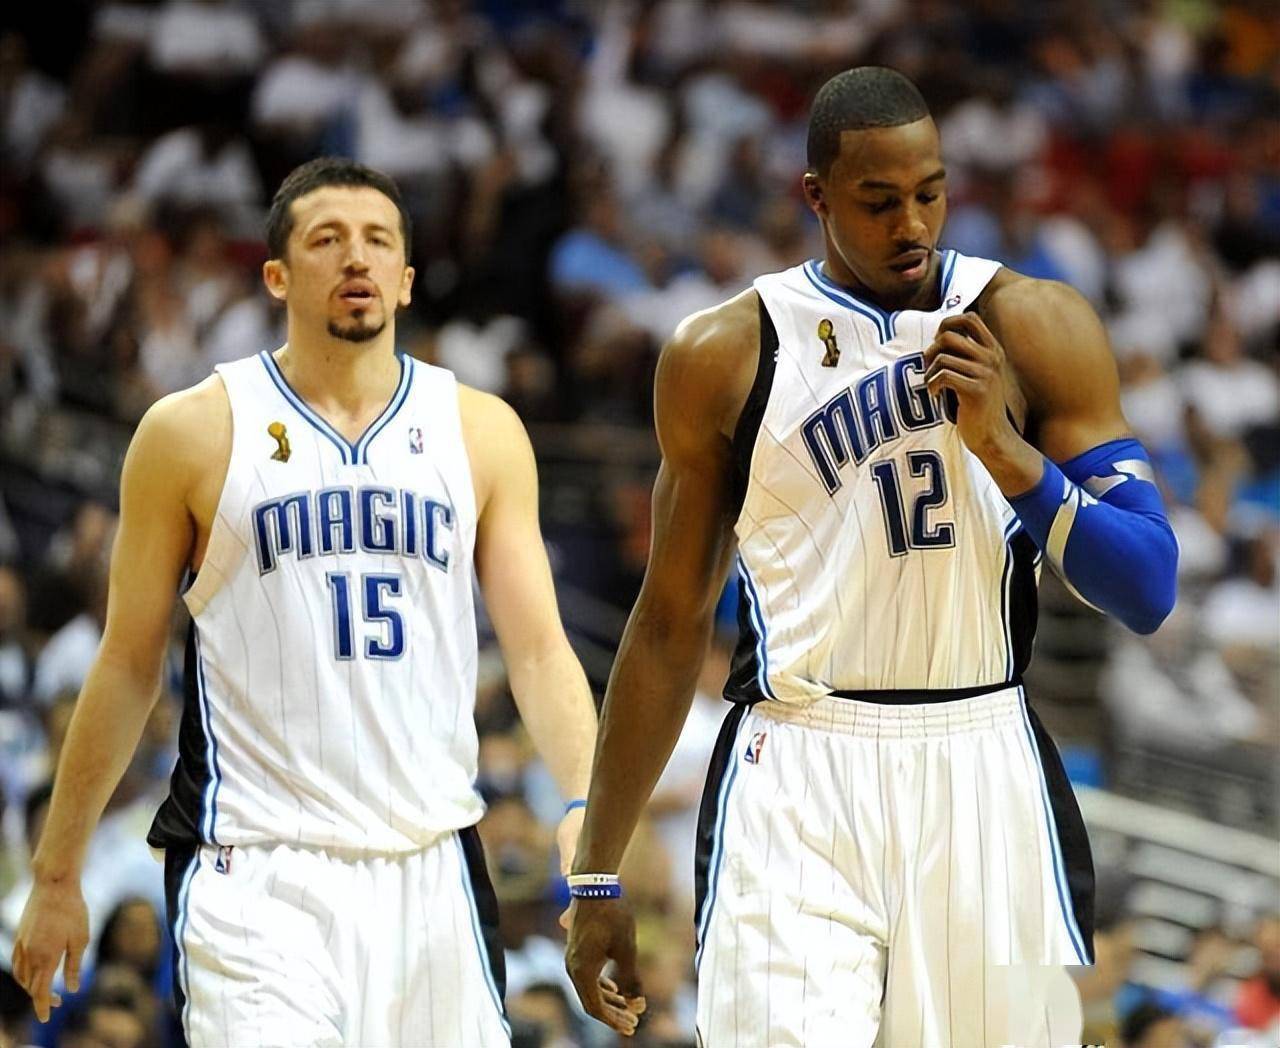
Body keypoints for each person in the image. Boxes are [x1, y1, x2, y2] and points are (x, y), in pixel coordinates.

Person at [565, 67, 1178, 1047]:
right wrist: (597, 874)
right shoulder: (724, 353)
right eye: (879, 201)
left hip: (980, 761)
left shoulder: (1032, 323)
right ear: (814, 195)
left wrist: (1009, 455)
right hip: (797, 765)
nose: (913, 225)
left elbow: (1146, 587)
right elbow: (669, 620)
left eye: (930, 193)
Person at [11, 157, 611, 1046]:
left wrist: (587, 813)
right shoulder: (191, 430)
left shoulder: (480, 430)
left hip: (432, 864)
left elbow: (539, 650)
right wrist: (57, 873)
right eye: (327, 240)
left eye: (378, 241)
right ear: (278, 277)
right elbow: (128, 662)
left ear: (406, 279)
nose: (356, 258)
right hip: (256, 870)